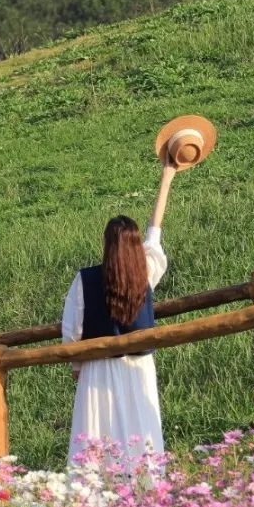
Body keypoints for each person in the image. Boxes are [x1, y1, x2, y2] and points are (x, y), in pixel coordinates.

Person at [61, 155, 177, 468]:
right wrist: (167, 177)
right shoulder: (145, 272)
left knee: (98, 437)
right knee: (141, 436)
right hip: (139, 368)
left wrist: (76, 366)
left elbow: (72, 330)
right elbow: (155, 235)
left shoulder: (85, 280)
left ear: (106, 245)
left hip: (97, 367)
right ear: (136, 246)